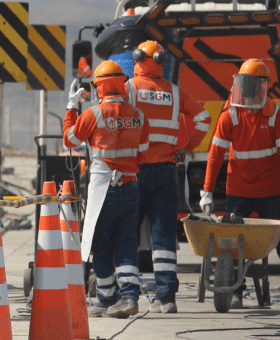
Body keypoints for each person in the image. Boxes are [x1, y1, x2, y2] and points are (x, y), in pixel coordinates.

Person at [200, 59, 280, 310]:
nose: (247, 91)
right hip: (238, 190)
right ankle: (236, 290)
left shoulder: (275, 115)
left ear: (262, 87)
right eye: (244, 84)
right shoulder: (230, 114)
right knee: (232, 242)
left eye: (253, 85)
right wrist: (206, 191)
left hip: (270, 191)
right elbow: (215, 154)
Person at [123, 40, 211, 313]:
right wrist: (187, 147)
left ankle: (128, 295)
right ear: (161, 61)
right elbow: (205, 118)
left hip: (135, 171)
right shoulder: (174, 92)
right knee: (163, 235)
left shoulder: (128, 89)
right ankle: (167, 297)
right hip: (165, 171)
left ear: (138, 58)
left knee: (128, 234)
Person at [64, 61, 149, 319]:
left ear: (99, 86)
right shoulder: (138, 115)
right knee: (126, 244)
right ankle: (130, 297)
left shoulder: (93, 114)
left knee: (101, 245)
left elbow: (70, 139)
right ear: (121, 84)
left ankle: (106, 299)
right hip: (131, 188)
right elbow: (142, 156)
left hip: (103, 191)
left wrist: (71, 107)